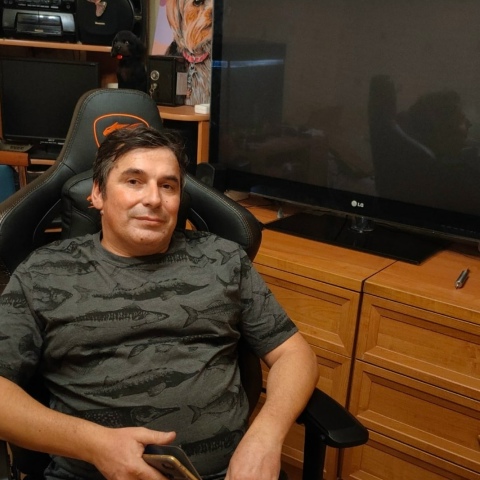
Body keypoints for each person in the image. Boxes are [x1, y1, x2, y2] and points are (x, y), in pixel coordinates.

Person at [0, 125, 319, 480]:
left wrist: (266, 436)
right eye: (134, 181)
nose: (154, 199)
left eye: (168, 185)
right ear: (97, 194)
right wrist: (94, 445)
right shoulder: (45, 272)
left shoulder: (222, 259)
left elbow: (294, 354)